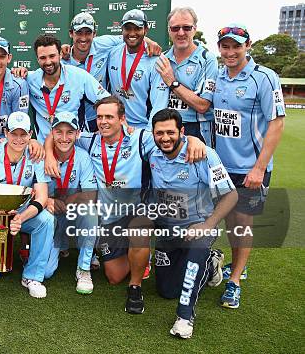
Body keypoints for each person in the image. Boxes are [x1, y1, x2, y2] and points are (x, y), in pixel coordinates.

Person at [44, 96, 207, 313]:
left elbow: (170, 138)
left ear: (122, 119)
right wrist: (47, 152)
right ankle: (141, 255)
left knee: (139, 229)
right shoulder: (90, 140)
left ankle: (136, 286)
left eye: (109, 117)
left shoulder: (139, 138)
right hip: (110, 218)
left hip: (137, 212)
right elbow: (58, 135)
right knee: (113, 276)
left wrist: (195, 140)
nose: (103, 122)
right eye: (100, 117)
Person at [201, 24, 285, 309]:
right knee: (229, 221)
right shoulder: (217, 75)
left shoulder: (264, 77)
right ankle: (239, 265)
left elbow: (276, 123)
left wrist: (259, 168)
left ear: (248, 45)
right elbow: (204, 106)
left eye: (236, 46)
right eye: (225, 46)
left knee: (242, 224)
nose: (230, 52)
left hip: (251, 168)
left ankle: (234, 281)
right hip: (222, 167)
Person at [149, 108, 237, 338]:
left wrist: (207, 225)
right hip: (167, 230)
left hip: (197, 227)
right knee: (167, 291)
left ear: (182, 131)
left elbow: (231, 196)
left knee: (194, 259)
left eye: (171, 132)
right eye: (159, 133)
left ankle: (185, 317)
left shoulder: (203, 154)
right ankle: (211, 262)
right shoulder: (151, 152)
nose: (165, 138)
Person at [0, 112, 55, 297]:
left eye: (23, 134)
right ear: (6, 133)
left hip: (20, 215)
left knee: (47, 219)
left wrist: (20, 218)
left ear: (30, 134)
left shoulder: (36, 158)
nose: (18, 139)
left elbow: (42, 197)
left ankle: (32, 276)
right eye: (14, 133)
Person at [43, 111, 98, 294]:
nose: (64, 138)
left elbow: (91, 194)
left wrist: (66, 201)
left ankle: (83, 268)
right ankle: (60, 247)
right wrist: (48, 200)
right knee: (46, 272)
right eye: (59, 132)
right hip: (49, 211)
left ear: (77, 134)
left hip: (70, 210)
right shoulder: (41, 155)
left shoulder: (82, 157)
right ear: (51, 133)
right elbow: (31, 189)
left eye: (70, 132)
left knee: (90, 212)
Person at [27, 34, 110, 143]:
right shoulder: (30, 79)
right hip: (44, 148)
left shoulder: (79, 76)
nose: (48, 62)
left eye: (52, 56)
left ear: (60, 54)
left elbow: (108, 102)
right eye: (43, 58)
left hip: (75, 145)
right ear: (37, 59)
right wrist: (18, 71)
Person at [155, 7, 217, 145]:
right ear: (169, 30)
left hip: (197, 129)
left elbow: (202, 105)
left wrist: (172, 82)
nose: (181, 33)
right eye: (175, 28)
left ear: (194, 29)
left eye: (186, 28)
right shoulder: (162, 59)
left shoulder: (207, 59)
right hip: (167, 128)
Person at [104, 9, 169, 129]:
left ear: (146, 30)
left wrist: (148, 134)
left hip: (142, 128)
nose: (132, 33)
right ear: (122, 30)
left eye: (137, 28)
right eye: (128, 28)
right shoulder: (112, 53)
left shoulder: (156, 60)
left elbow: (159, 104)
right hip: (115, 126)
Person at [0, 36, 29, 139]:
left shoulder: (19, 85)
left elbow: (19, 123)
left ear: (9, 58)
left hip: (9, 140)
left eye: (2, 57)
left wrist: (5, 142)